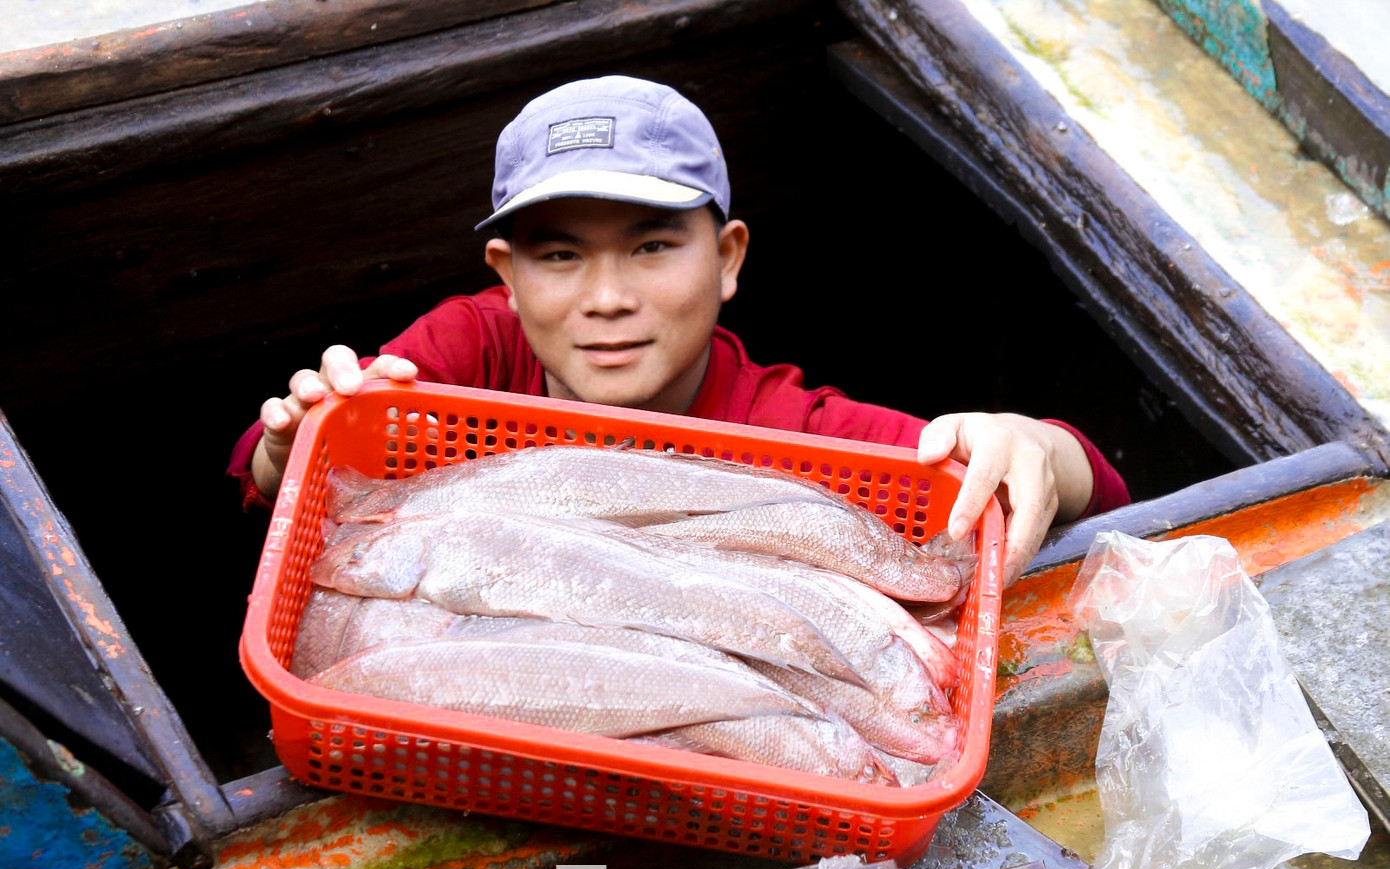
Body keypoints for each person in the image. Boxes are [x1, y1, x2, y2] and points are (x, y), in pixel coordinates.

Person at [228, 75, 1128, 586]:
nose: (608, 297)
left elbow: (1075, 492)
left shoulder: (792, 432)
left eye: (654, 245)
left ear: (729, 257)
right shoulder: (466, 354)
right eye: (561, 255)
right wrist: (293, 442)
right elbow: (267, 480)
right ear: (506, 277)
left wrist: (1036, 446)